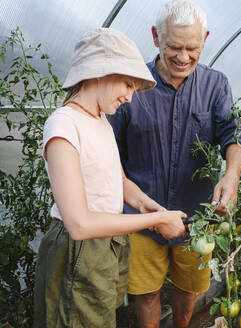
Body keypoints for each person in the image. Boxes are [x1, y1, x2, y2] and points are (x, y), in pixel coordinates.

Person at [33, 27, 188, 328]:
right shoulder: (64, 125)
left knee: (101, 319)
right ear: (99, 72)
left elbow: (119, 181)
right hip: (77, 252)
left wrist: (150, 206)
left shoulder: (100, 120)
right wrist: (156, 221)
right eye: (128, 84)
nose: (130, 98)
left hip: (107, 243)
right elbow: (79, 224)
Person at [107, 0, 241, 327]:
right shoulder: (132, 87)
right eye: (174, 47)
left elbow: (234, 134)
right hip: (141, 218)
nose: (183, 57)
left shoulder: (216, 85)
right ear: (156, 37)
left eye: (192, 48)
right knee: (146, 293)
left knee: (188, 289)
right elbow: (109, 152)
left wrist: (232, 175)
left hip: (196, 215)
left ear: (206, 39)